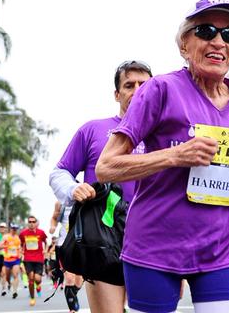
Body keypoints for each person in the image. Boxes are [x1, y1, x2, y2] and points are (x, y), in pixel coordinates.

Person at [95, 0, 229, 313]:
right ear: (184, 43)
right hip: (156, 245)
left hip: (222, 247)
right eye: (206, 31)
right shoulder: (159, 90)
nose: (218, 41)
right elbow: (106, 167)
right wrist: (175, 156)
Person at [49, 59, 152, 313]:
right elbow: (59, 172)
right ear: (117, 94)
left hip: (152, 237)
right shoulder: (93, 130)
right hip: (104, 237)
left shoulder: (165, 133)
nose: (137, 90)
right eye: (129, 85)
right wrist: (73, 189)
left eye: (144, 85)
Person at [49, 200, 80, 311]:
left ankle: (73, 295)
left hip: (81, 245)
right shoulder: (60, 203)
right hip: (64, 245)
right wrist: (52, 227)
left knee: (78, 281)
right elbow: (54, 218)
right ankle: (72, 309)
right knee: (69, 278)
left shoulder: (87, 196)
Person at [19, 215, 47, 306]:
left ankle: (38, 285)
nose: (31, 224)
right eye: (30, 222)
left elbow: (45, 242)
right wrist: (21, 251)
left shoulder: (41, 232)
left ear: (36, 223)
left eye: (33, 222)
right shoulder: (23, 233)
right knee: (31, 279)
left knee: (37, 279)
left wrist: (45, 250)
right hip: (28, 258)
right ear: (28, 223)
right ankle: (32, 297)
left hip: (39, 258)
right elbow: (21, 243)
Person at [0, 223, 22, 299]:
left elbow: (20, 248)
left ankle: (15, 291)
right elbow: (0, 246)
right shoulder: (6, 237)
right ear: (10, 229)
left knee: (15, 274)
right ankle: (5, 287)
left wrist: (21, 253)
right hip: (7, 259)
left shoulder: (18, 238)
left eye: (15, 229)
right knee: (5, 275)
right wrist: (6, 246)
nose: (14, 230)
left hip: (16, 259)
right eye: (13, 228)